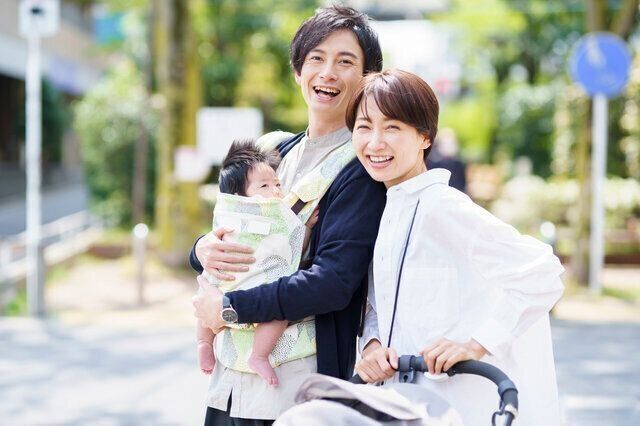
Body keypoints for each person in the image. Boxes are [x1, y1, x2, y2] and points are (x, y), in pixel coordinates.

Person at [190, 6, 385, 424]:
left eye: (345, 62)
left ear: (367, 77)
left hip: (295, 387)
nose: (327, 73)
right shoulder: (274, 152)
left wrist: (229, 307)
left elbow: (333, 282)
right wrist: (201, 249)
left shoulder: (361, 170)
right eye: (316, 58)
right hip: (229, 381)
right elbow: (231, 224)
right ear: (298, 71)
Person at [346, 69, 564, 425]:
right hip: (406, 403)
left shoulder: (441, 206)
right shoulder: (387, 209)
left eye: (393, 127)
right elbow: (380, 303)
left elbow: (542, 272)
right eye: (364, 127)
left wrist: (475, 343)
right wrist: (372, 345)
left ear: (424, 137)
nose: (375, 142)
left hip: (460, 403)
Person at [197, 139, 319, 387]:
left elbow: (290, 243)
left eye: (278, 184)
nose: (275, 191)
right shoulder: (241, 214)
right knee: (207, 296)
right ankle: (215, 345)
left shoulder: (275, 213)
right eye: (264, 186)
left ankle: (240, 350)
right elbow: (293, 243)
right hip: (236, 277)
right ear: (238, 197)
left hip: (248, 283)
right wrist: (304, 227)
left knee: (274, 307)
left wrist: (303, 226)